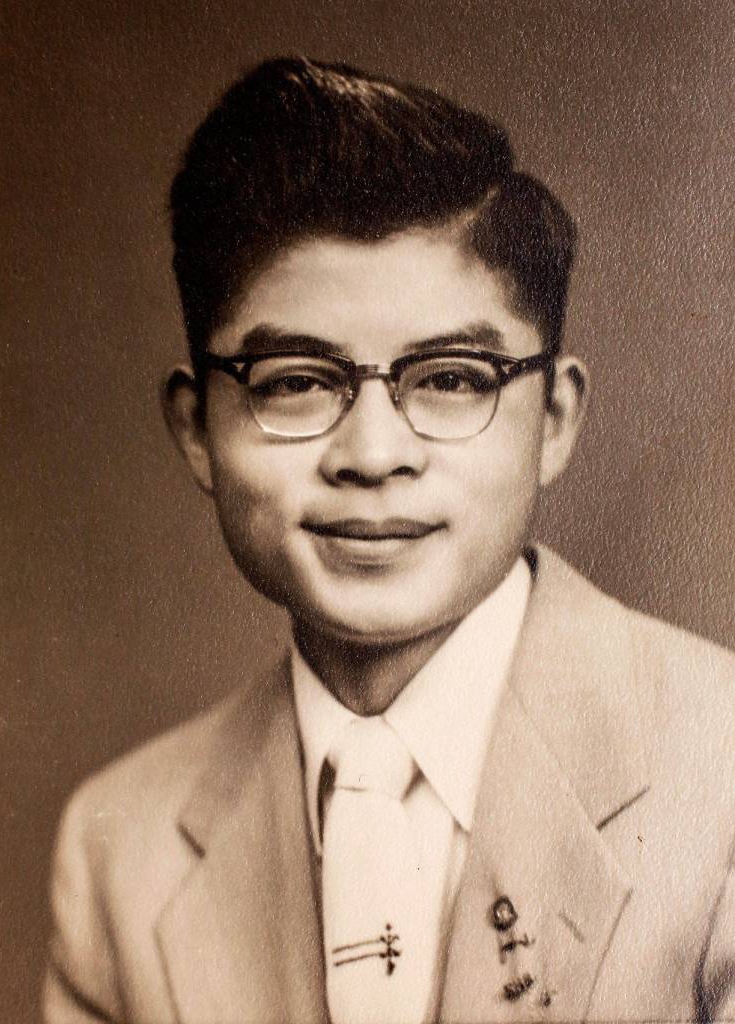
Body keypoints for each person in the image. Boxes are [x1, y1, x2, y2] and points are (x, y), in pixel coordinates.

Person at [44, 57, 735, 1024]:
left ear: (554, 420)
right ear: (198, 429)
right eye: (293, 380)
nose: (372, 454)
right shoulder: (122, 848)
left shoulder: (722, 775)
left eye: (452, 378)